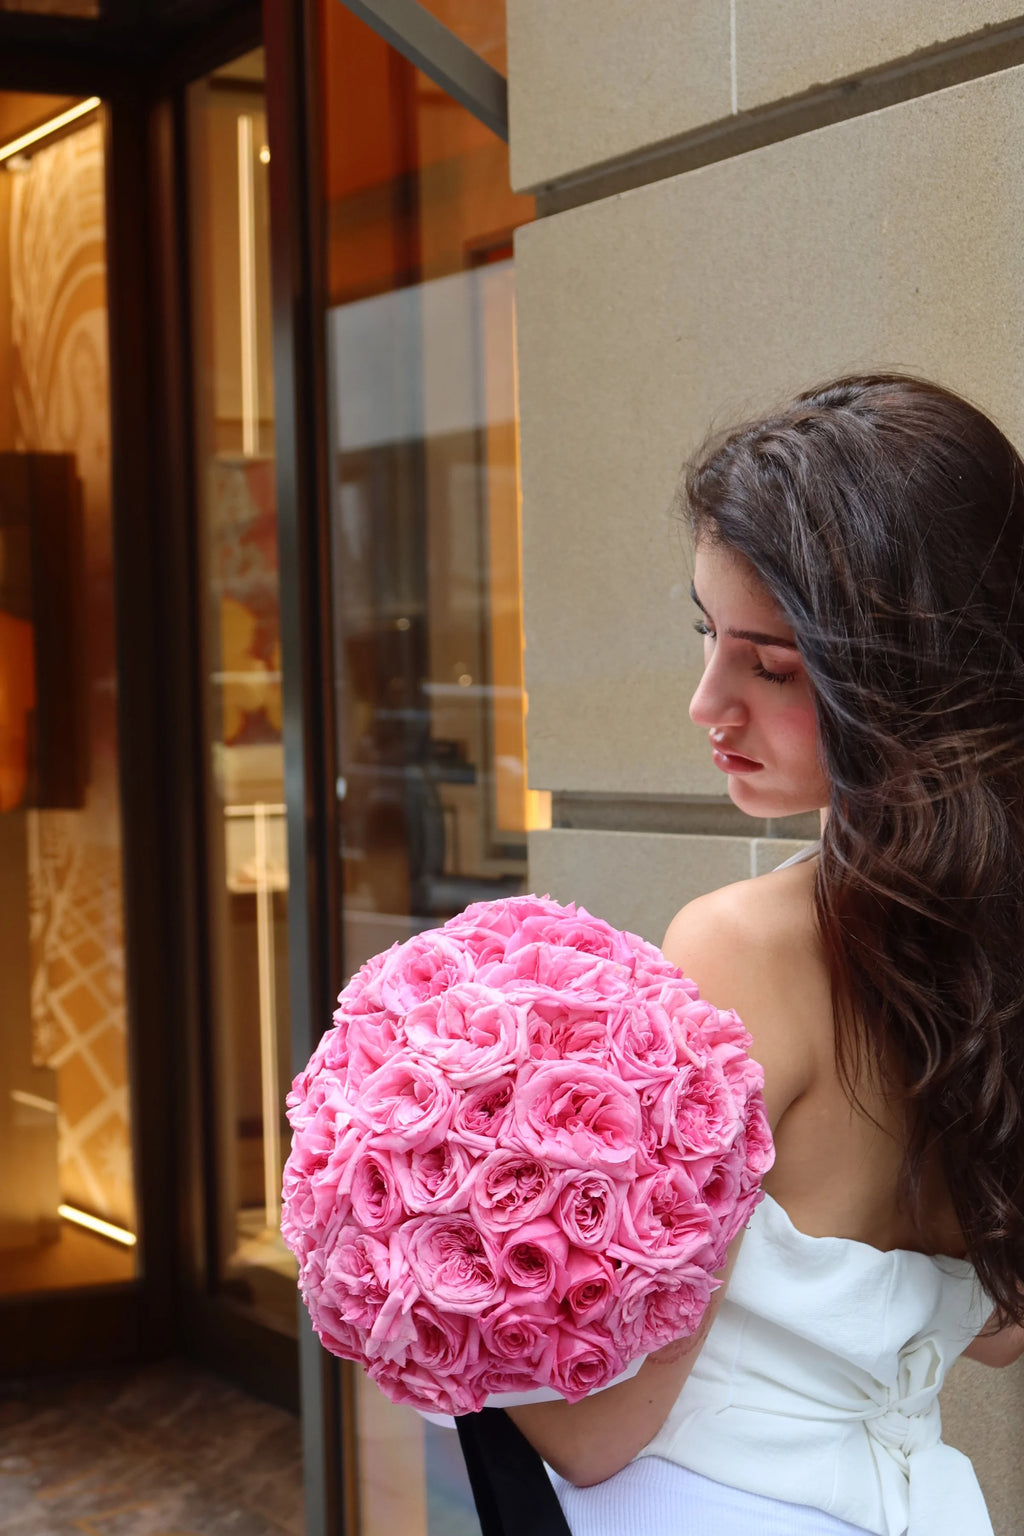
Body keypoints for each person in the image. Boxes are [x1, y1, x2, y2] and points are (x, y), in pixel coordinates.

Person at [506, 375, 1024, 1535]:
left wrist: (417, 1263)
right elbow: (995, 1333)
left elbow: (598, 1434)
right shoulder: (994, 953)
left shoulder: (737, 946)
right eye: (706, 637)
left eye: (771, 667)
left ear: (910, 673)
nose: (707, 702)